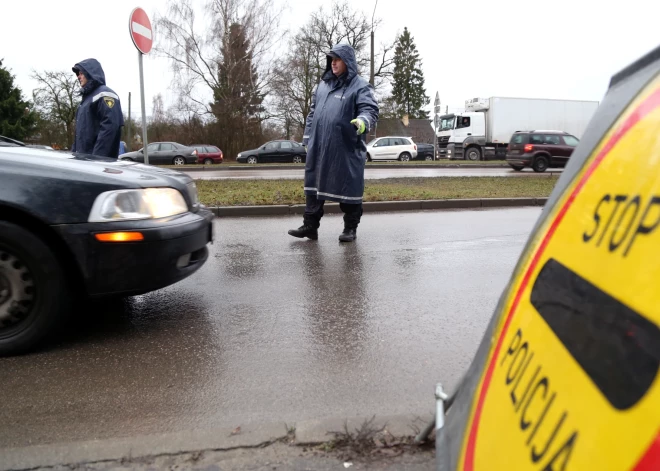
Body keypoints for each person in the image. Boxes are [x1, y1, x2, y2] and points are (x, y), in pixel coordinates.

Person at [288, 44, 379, 242]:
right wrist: (307, 137)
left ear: (348, 62)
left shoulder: (360, 86)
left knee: (349, 188)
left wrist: (362, 122)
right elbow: (312, 113)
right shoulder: (322, 86)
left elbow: (370, 110)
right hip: (319, 147)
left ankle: (350, 229)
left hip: (345, 149)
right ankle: (310, 226)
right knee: (313, 188)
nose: (333, 63)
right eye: (331, 59)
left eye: (337, 59)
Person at [71, 59, 124, 158]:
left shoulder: (106, 95)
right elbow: (79, 136)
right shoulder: (84, 102)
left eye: (81, 73)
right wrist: (74, 155)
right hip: (83, 163)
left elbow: (110, 127)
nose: (78, 76)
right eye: (78, 74)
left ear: (90, 73)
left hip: (98, 165)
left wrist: (96, 159)